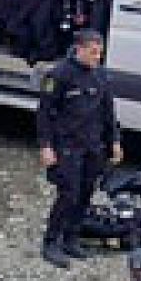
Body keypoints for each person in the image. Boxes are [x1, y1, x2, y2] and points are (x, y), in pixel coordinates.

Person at [37, 29, 122, 268]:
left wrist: (114, 141)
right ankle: (51, 241)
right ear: (80, 49)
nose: (97, 57)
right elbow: (44, 113)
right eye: (93, 52)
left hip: (93, 145)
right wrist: (46, 146)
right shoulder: (60, 75)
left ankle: (71, 237)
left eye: (100, 53)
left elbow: (108, 112)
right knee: (68, 194)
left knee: (86, 192)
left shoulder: (101, 76)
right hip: (67, 145)